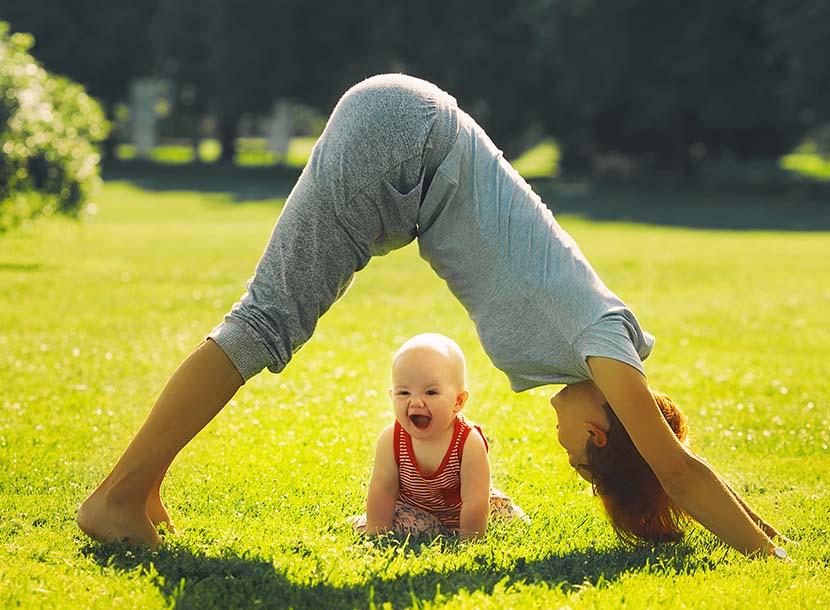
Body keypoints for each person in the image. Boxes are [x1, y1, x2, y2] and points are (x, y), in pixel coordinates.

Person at [77, 73, 789, 559]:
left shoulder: (601, 341)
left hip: (409, 151)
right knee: (267, 319)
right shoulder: (605, 345)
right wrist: (774, 554)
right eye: (580, 456)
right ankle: (116, 497)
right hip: (406, 144)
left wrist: (759, 521)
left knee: (268, 317)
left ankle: (142, 487)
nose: (563, 445)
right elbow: (680, 468)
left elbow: (676, 466)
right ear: (603, 428)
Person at [348, 333, 525, 539]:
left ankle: (457, 529)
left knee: (508, 516)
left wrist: (468, 541)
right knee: (412, 526)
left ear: (458, 401)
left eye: (430, 393)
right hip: (415, 509)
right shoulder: (392, 439)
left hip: (466, 508)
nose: (416, 402)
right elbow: (383, 489)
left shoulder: (468, 442)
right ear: (391, 395)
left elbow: (475, 499)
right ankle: (365, 523)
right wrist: (376, 534)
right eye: (404, 393)